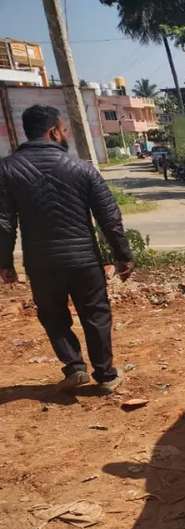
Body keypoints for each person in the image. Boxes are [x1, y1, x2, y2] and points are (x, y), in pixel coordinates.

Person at [0, 105, 134, 393]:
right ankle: (105, 375)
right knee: (96, 314)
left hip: (41, 263)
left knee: (52, 315)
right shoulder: (82, 168)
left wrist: (5, 263)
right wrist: (123, 256)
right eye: (64, 130)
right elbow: (109, 217)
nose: (66, 135)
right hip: (84, 260)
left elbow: (4, 223)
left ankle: (74, 368)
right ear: (53, 132)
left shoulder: (7, 169)